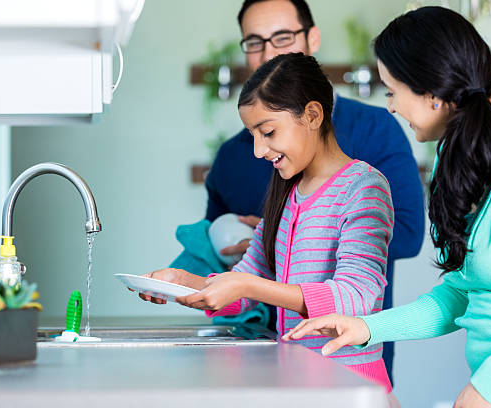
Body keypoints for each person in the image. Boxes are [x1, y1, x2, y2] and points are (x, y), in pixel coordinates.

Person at [282, 6, 491, 408]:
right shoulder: (454, 156)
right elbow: (459, 293)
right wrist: (366, 328)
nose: (390, 106)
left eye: (392, 90)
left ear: (432, 93)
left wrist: (490, 382)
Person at [138, 53, 397, 397]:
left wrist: (247, 286)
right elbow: (243, 288)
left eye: (268, 132)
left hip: (349, 385)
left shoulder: (363, 187)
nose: (259, 150)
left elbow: (356, 296)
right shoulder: (286, 195)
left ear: (313, 115)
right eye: (253, 136)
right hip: (298, 381)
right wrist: (184, 285)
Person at [204, 0, 425, 383]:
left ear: (312, 38)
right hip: (279, 364)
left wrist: (258, 281)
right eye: (255, 42)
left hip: (346, 366)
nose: (269, 52)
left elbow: (394, 248)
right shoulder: (259, 172)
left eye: (282, 37)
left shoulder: (371, 150)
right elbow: (235, 273)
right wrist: (183, 286)